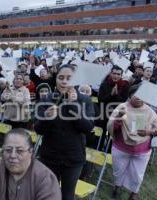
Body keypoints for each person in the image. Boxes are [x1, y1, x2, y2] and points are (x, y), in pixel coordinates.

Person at [35, 64, 95, 200]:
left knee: (67, 195)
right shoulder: (47, 99)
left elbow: (88, 127)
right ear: (56, 79)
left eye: (69, 78)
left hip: (73, 158)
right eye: (61, 77)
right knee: (50, 193)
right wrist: (46, 118)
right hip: (49, 156)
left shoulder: (84, 100)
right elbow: (38, 129)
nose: (64, 81)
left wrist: (74, 106)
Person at [107, 84, 157, 200]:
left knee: (137, 174)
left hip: (142, 150)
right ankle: (117, 188)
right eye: (135, 94)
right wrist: (119, 119)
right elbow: (111, 127)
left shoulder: (149, 111)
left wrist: (149, 132)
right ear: (130, 95)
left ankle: (134, 193)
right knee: (118, 170)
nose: (138, 97)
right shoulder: (122, 107)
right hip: (121, 148)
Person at [0, 128, 61, 200]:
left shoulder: (46, 179)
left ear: (31, 152)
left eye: (20, 151)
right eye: (8, 150)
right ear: (2, 151)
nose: (13, 155)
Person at [98, 65, 129, 151]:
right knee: (102, 131)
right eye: (114, 73)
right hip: (104, 112)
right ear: (111, 74)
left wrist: (116, 95)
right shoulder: (104, 84)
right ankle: (99, 147)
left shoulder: (125, 85)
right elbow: (100, 100)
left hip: (117, 113)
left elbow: (124, 101)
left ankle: (111, 150)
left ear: (121, 75)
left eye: (118, 74)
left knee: (115, 133)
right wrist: (111, 94)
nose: (116, 76)